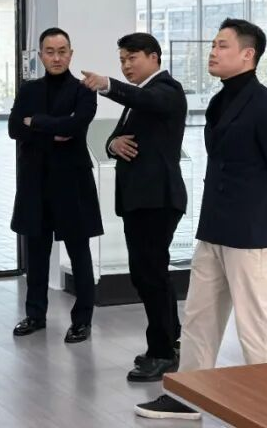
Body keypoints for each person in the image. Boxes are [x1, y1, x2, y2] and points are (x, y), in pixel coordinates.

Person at [137, 19, 267, 420]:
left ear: (248, 55)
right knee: (199, 315)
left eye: (222, 45)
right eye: (213, 44)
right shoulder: (220, 101)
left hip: (254, 231)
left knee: (254, 322)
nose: (213, 51)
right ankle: (188, 396)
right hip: (215, 226)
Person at [81, 33, 187, 382]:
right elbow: (116, 138)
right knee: (149, 274)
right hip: (140, 200)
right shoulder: (141, 96)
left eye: (132, 58)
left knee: (150, 275)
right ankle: (170, 340)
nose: (126, 65)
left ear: (154, 57)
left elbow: (147, 100)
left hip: (158, 199)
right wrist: (113, 145)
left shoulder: (166, 90)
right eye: (122, 60)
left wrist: (107, 84)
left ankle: (162, 352)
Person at [8, 27, 103, 344]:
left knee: (79, 252)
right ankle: (35, 315)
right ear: (40, 55)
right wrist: (54, 130)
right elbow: (13, 128)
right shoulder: (29, 90)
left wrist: (36, 122)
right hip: (35, 182)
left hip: (72, 182)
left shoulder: (83, 90)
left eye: (62, 51)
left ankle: (82, 320)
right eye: (50, 52)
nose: (57, 57)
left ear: (71, 54)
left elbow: (75, 126)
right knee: (36, 253)